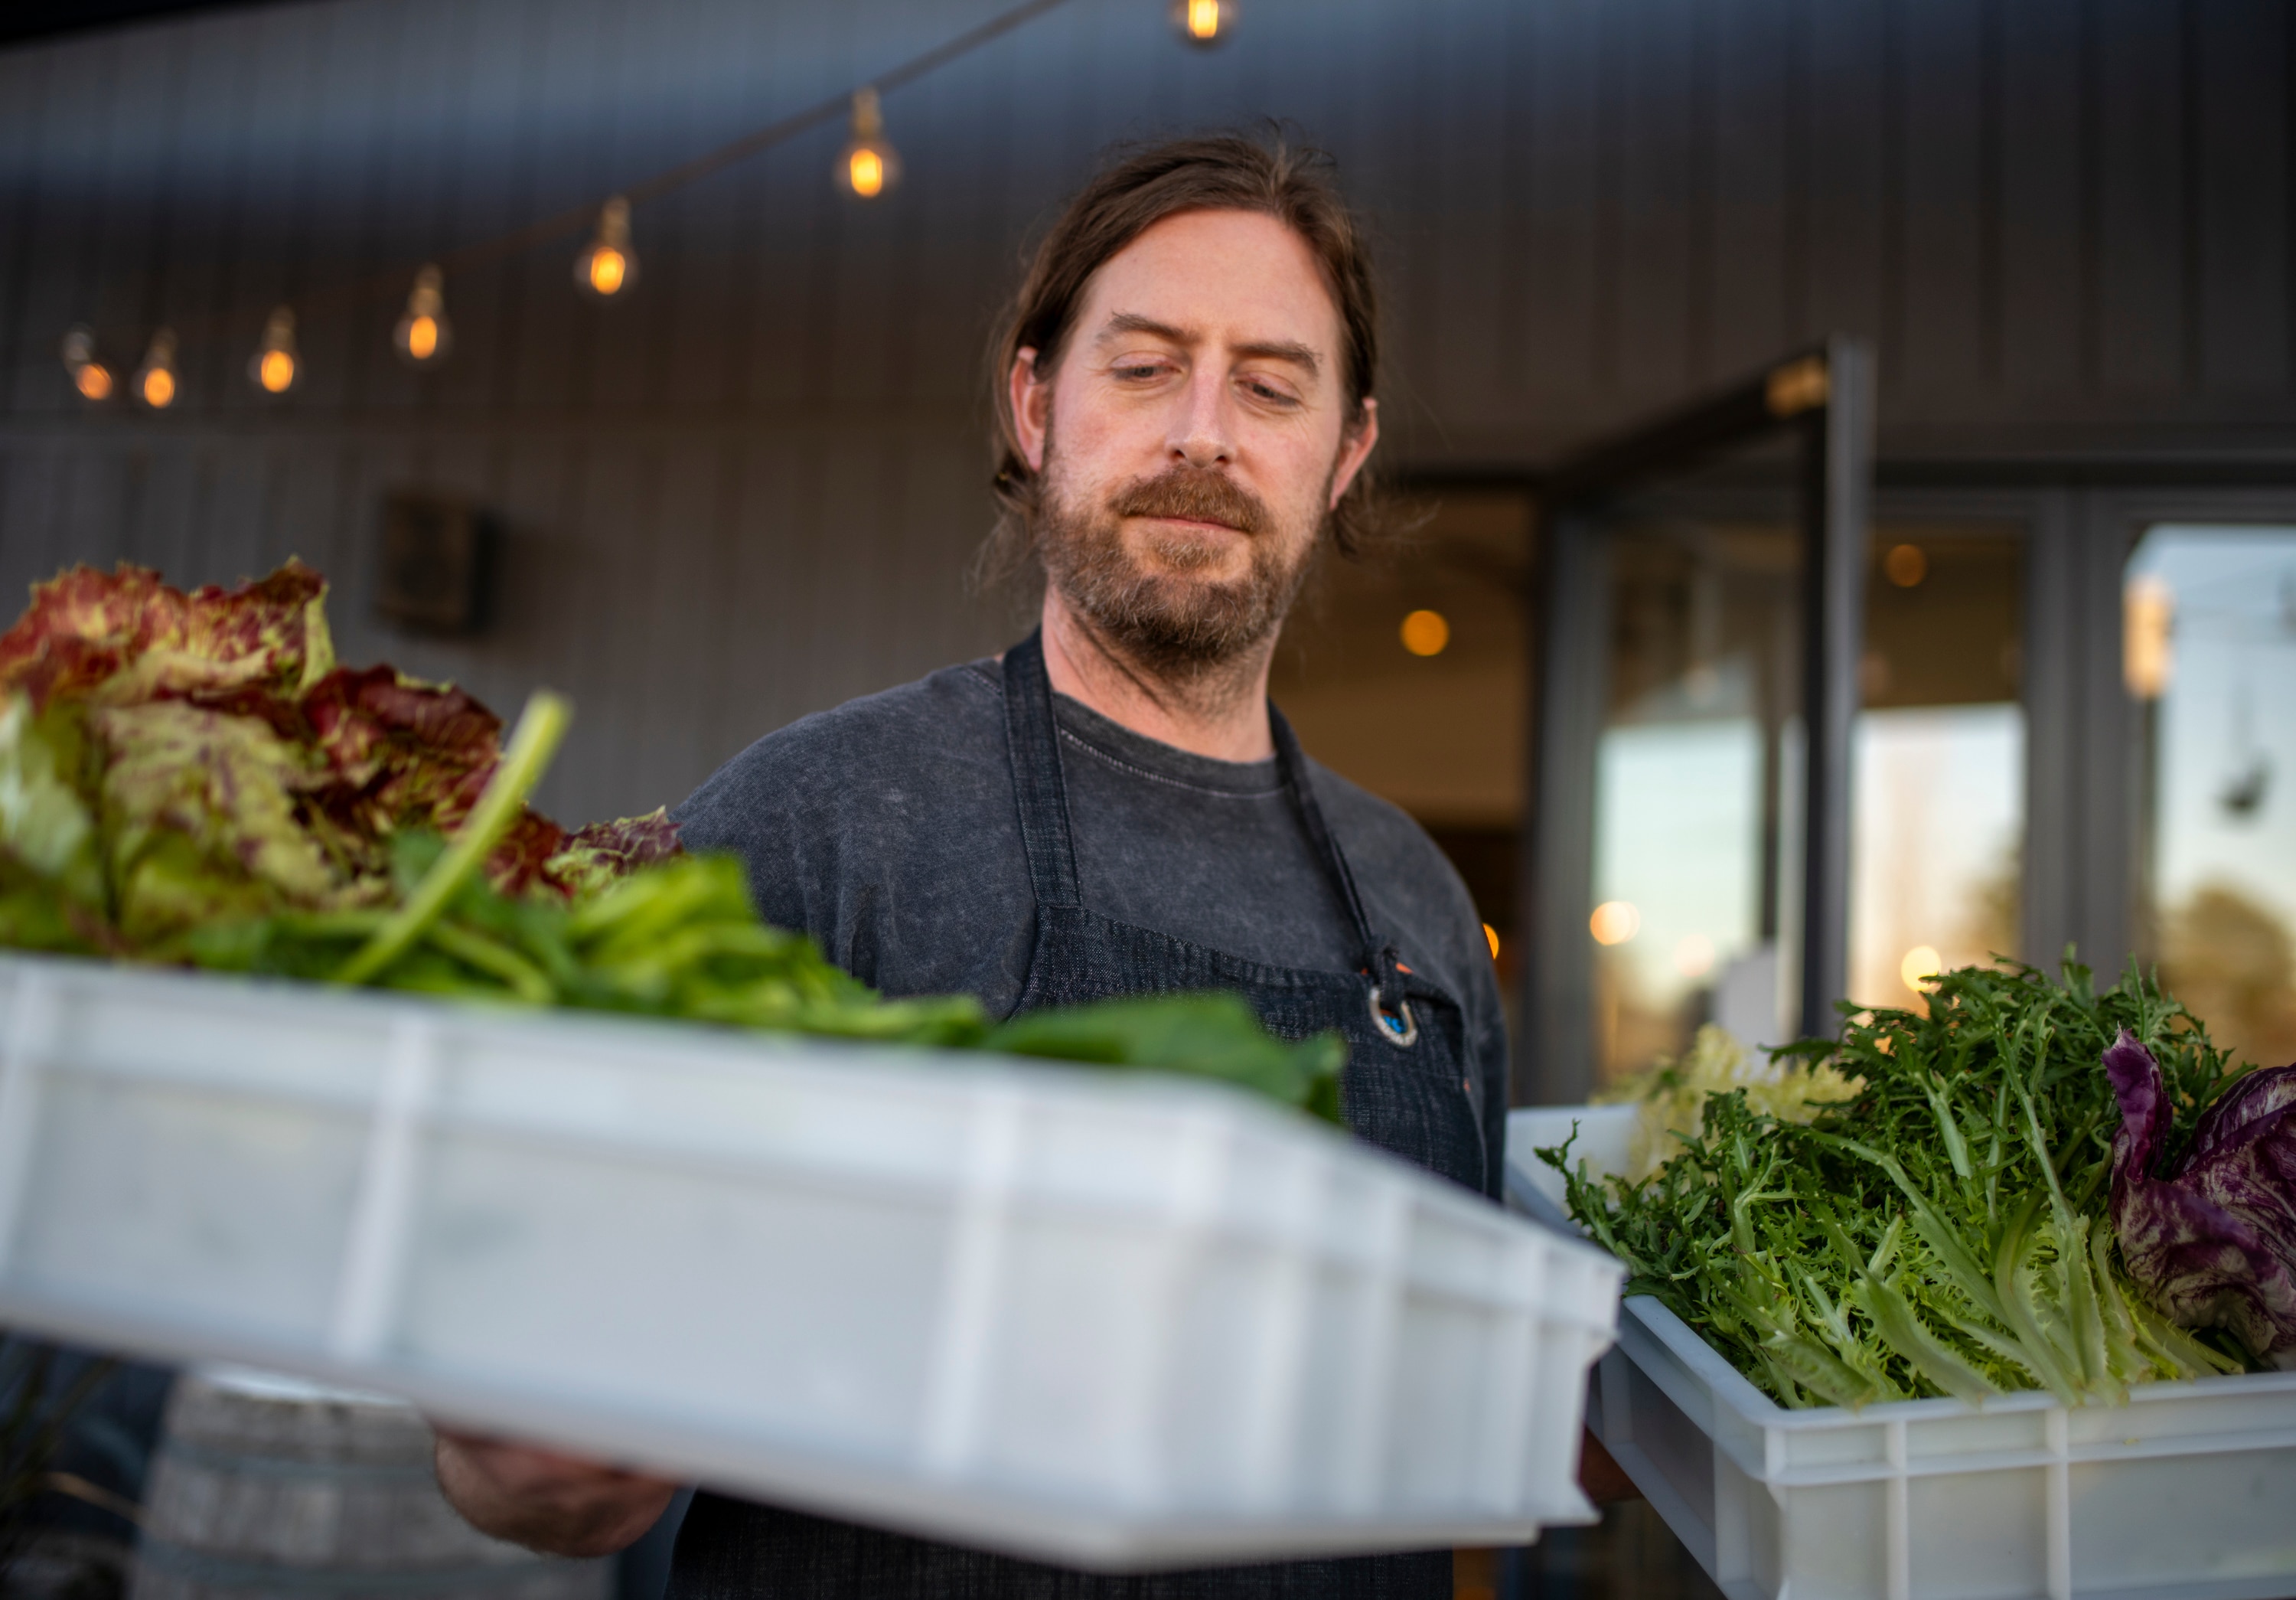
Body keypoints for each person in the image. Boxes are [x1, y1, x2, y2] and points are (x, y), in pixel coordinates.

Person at [435, 132, 1530, 1599]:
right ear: (1036, 407)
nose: (1203, 431)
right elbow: (522, 1436)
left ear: (1344, 456)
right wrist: (540, 1454)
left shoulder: (1417, 908)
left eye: (1270, 386)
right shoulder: (819, 819)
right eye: (1144, 366)